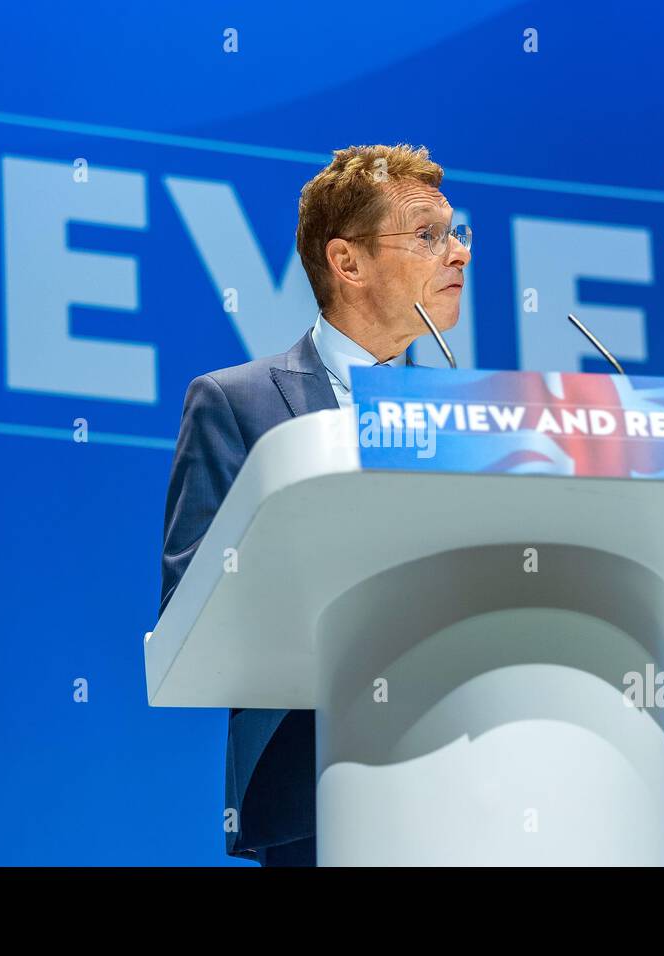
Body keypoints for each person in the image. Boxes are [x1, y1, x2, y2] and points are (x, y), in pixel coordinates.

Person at [157, 143, 472, 866]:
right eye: (428, 235)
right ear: (347, 261)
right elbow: (193, 605)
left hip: (468, 789)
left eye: (457, 235)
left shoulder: (472, 419)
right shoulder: (236, 403)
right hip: (317, 795)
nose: (456, 255)